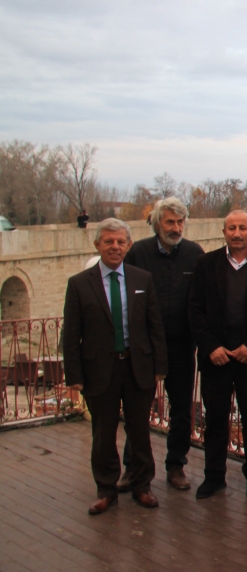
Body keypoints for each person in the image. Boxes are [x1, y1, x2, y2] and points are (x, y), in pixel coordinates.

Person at [63, 218, 168, 515]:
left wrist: (160, 366)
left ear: (129, 245)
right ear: (97, 244)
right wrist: (74, 376)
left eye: (121, 241)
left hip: (137, 368)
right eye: (109, 241)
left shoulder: (141, 279)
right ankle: (106, 489)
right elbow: (71, 334)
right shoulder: (79, 284)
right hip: (99, 370)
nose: (115, 246)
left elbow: (154, 326)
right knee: (103, 433)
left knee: (139, 432)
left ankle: (142, 486)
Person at [188, 210, 247, 500]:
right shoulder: (205, 265)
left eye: (243, 228)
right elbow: (194, 311)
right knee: (215, 420)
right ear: (224, 232)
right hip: (216, 358)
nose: (237, 233)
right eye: (232, 228)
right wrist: (211, 348)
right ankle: (214, 476)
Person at [119, 197, 204, 492]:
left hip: (182, 346)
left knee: (182, 409)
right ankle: (133, 467)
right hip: (144, 348)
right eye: (170, 222)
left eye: (180, 222)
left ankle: (176, 465)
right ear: (157, 223)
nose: (176, 228)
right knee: (138, 409)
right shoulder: (138, 253)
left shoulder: (194, 254)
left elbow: (202, 301)